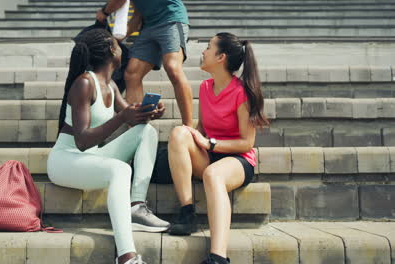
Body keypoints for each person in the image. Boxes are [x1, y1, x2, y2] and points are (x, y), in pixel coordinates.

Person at [47, 28, 170, 264]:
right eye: (117, 43)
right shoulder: (84, 83)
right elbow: (82, 141)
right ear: (111, 51)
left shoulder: (111, 85)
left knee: (146, 132)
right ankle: (127, 257)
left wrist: (149, 112)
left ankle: (136, 206)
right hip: (66, 160)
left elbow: (131, 119)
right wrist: (123, 117)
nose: (122, 47)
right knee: (120, 169)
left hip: (90, 157)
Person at [167, 33, 269, 264]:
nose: (203, 52)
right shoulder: (205, 87)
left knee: (213, 175)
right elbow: (202, 128)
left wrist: (210, 143)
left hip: (238, 160)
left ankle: (218, 257)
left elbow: (247, 142)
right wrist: (191, 140)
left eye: (208, 47)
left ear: (221, 57)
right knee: (178, 132)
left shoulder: (242, 93)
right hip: (210, 154)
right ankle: (187, 212)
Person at [96, 0, 194, 126]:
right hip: (148, 27)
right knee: (132, 73)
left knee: (172, 67)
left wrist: (104, 12)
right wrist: (114, 40)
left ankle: (189, 128)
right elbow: (137, 17)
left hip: (171, 19)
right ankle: (136, 126)